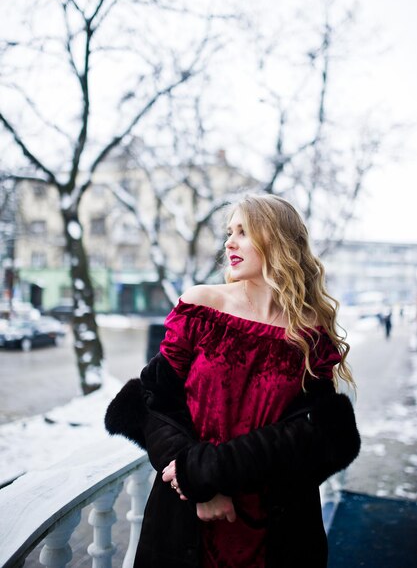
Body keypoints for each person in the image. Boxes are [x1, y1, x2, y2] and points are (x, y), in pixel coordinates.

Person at [105, 193, 360, 568]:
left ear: (278, 240)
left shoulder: (309, 333)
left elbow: (317, 435)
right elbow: (152, 402)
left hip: (277, 523)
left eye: (244, 231)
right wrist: (197, 486)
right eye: (229, 232)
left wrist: (211, 471)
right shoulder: (202, 306)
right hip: (186, 517)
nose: (229, 242)